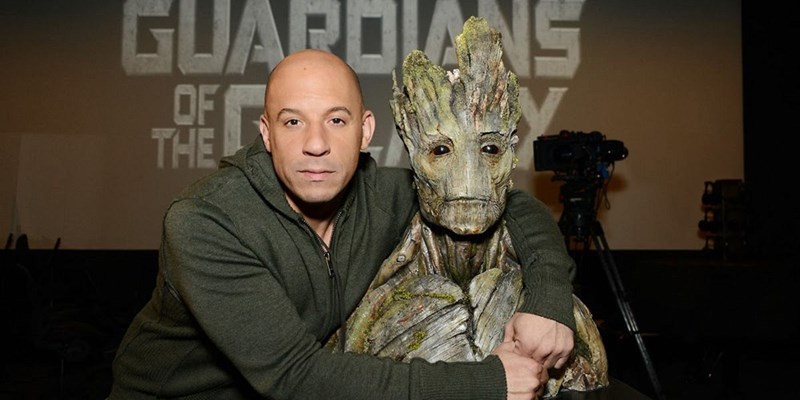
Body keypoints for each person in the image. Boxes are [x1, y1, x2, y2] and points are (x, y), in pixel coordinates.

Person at [109, 49, 576, 400]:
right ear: (267, 133)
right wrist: (487, 383)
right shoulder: (207, 220)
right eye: (293, 122)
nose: (316, 144)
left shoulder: (382, 195)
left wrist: (548, 302)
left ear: (365, 130)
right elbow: (295, 376)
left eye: (336, 119)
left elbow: (513, 204)